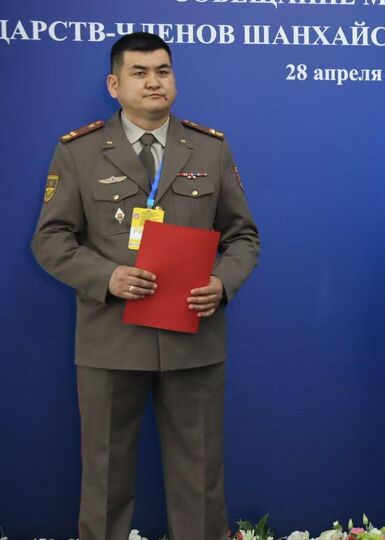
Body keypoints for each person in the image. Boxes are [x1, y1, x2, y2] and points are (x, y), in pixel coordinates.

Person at [32, 32, 259, 540]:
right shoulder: (79, 152)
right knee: (106, 477)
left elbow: (244, 236)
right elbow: (49, 240)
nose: (154, 82)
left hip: (193, 337)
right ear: (114, 85)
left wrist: (222, 283)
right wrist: (106, 277)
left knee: (200, 478)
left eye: (163, 71)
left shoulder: (210, 148)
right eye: (139, 72)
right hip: (111, 339)